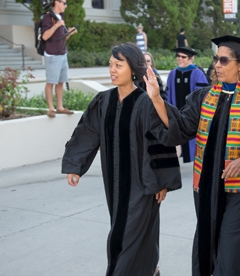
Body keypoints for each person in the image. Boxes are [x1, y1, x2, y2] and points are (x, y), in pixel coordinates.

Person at [146, 35, 240, 276]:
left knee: (232, 248)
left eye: (224, 60)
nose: (217, 65)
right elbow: (180, 127)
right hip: (207, 185)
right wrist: (157, 99)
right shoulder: (204, 97)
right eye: (216, 60)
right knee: (207, 243)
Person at [62, 43, 182, 276]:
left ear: (133, 69)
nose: (112, 70)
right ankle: (151, 272)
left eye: (119, 65)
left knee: (123, 238)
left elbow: (161, 140)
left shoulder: (146, 102)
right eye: (110, 65)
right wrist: (75, 165)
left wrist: (163, 181)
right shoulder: (103, 101)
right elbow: (87, 132)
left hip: (143, 184)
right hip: (114, 185)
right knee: (135, 238)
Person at [165, 46, 209, 163]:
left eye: (183, 57)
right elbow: (168, 95)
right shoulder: (173, 74)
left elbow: (202, 97)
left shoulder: (197, 73)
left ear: (191, 59)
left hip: (192, 116)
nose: (180, 59)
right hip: (175, 114)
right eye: (178, 56)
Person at [41, 0, 77, 118]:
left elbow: (62, 38)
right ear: (57, 2)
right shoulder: (48, 17)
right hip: (52, 55)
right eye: (64, 3)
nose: (66, 6)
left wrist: (70, 33)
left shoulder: (60, 17)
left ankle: (60, 107)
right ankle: (51, 109)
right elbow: (45, 36)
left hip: (62, 54)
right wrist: (57, 24)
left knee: (61, 82)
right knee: (51, 82)